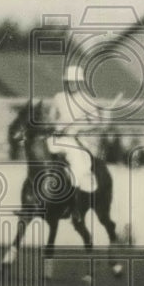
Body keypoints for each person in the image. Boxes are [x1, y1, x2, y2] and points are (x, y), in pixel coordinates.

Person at [47, 65, 100, 221]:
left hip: (75, 140)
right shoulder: (58, 98)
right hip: (57, 138)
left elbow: (95, 122)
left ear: (80, 82)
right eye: (69, 81)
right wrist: (56, 127)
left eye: (74, 81)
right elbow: (51, 118)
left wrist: (78, 128)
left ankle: (74, 205)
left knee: (77, 165)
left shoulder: (86, 100)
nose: (71, 84)